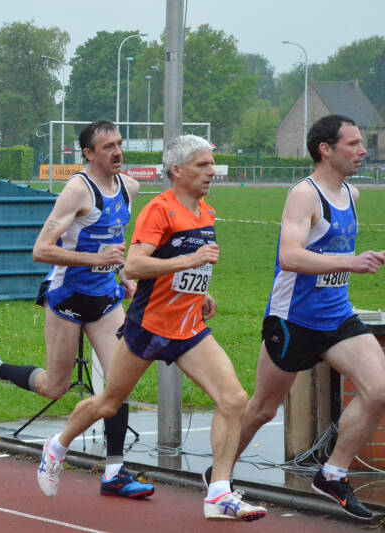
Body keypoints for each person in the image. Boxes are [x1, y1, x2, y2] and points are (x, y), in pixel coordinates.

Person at [35, 134, 268, 522]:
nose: (212, 172)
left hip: (189, 327)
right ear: (177, 171)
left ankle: (219, 494)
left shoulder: (205, 212)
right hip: (149, 326)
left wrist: (201, 291)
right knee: (108, 402)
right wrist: (189, 260)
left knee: (233, 399)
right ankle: (57, 446)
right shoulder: (159, 210)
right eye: (203, 165)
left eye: (212, 164)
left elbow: (190, 268)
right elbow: (135, 266)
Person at [0, 120, 154, 499]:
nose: (118, 152)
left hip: (104, 298)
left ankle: (115, 471)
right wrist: (93, 258)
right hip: (67, 296)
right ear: (88, 154)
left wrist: (123, 273)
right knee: (55, 386)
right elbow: (41, 250)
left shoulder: (130, 188)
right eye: (108, 148)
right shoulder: (75, 191)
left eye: (119, 144)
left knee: (119, 381)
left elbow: (112, 242)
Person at [226, 115, 385, 521]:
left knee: (380, 389)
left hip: (336, 318)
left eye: (361, 143)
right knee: (262, 408)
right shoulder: (304, 195)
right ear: (325, 150)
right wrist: (350, 262)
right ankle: (219, 479)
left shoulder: (353, 194)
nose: (362, 150)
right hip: (292, 321)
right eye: (352, 143)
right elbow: (289, 256)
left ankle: (332, 473)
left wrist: (354, 264)